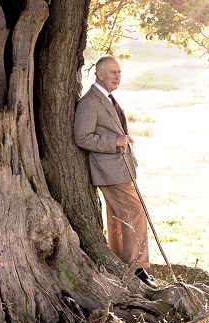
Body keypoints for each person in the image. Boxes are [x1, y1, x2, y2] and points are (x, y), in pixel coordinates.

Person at [74, 55, 157, 288]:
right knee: (135, 212)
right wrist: (115, 141)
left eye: (119, 72)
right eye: (112, 72)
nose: (117, 77)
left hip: (121, 168)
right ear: (99, 73)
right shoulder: (90, 102)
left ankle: (121, 262)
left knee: (119, 217)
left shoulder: (108, 99)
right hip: (109, 170)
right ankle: (137, 268)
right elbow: (81, 137)